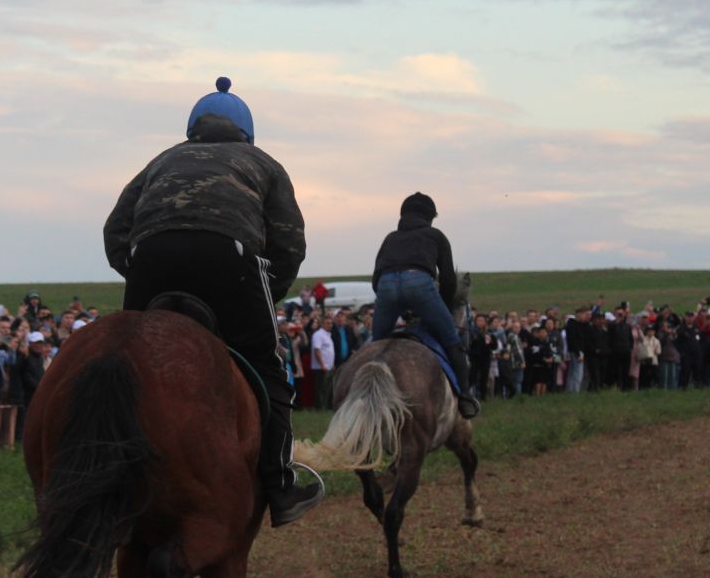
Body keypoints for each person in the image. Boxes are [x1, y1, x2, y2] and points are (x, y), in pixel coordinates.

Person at [103, 76, 322, 527]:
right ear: (247, 133)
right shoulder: (264, 163)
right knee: (268, 367)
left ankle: (107, 469)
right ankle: (280, 486)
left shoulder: (160, 161)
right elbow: (289, 244)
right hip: (228, 260)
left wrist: (142, 269)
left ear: (191, 130)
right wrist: (267, 293)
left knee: (124, 369)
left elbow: (114, 232)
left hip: (150, 261)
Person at [370, 193, 482, 419]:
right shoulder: (435, 235)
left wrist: (396, 304)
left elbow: (376, 279)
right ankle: (465, 398)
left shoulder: (390, 238)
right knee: (452, 341)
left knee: (375, 347)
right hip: (419, 283)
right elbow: (449, 280)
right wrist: (443, 305)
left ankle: (360, 391)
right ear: (430, 217)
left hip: (386, 286)